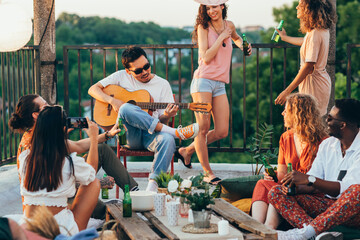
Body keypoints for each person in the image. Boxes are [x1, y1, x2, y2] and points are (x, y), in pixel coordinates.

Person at [8, 94, 139, 220]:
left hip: (60, 189)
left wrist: (107, 134)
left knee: (102, 149)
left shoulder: (44, 135)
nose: (50, 106)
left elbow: (78, 146)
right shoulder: (32, 144)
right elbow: (53, 185)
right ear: (36, 115)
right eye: (45, 106)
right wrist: (100, 183)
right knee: (106, 212)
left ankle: (135, 192)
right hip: (51, 205)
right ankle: (103, 211)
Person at [88, 46, 199, 192]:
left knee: (167, 140)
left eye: (147, 66)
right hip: (128, 135)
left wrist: (167, 115)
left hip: (150, 135)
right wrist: (113, 101)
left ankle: (152, 186)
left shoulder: (162, 84)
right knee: (126, 108)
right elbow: (93, 89)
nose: (145, 72)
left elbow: (161, 120)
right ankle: (174, 132)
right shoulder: (120, 76)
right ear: (128, 71)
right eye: (139, 71)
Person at [176, 0, 252, 184]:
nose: (211, 11)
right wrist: (221, 38)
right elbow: (206, 57)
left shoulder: (229, 25)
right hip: (202, 82)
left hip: (220, 84)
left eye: (214, 7)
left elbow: (236, 38)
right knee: (202, 128)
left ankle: (187, 151)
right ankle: (207, 172)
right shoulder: (203, 27)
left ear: (222, 6)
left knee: (222, 131)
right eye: (207, 8)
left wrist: (243, 46)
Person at [269, 98, 360, 240]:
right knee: (276, 192)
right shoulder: (328, 145)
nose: (326, 122)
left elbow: (344, 189)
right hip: (328, 205)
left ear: (342, 125)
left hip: (354, 211)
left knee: (357, 191)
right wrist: (297, 188)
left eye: (330, 119)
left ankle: (308, 231)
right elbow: (312, 184)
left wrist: (309, 179)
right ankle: (316, 234)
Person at [18, 106, 100, 235]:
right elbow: (91, 172)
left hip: (29, 226)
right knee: (93, 182)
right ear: (63, 129)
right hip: (59, 229)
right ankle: (77, 233)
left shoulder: (25, 159)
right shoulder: (69, 162)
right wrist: (94, 139)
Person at [251, 93, 327, 229]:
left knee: (279, 191)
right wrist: (273, 175)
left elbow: (323, 179)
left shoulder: (323, 141)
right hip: (288, 187)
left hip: (309, 190)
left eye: (286, 110)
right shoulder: (285, 138)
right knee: (262, 183)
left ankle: (268, 229)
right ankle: (255, 227)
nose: (282, 113)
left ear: (297, 113)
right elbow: (282, 174)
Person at [274, 0, 337, 116]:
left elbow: (308, 66)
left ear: (309, 9)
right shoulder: (320, 30)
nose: (297, 7)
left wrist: (287, 92)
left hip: (314, 86)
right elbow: (305, 42)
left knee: (307, 125)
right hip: (319, 83)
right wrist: (284, 37)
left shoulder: (315, 34)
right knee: (311, 124)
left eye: (300, 4)